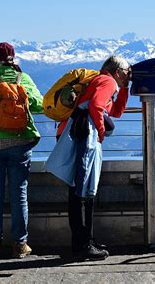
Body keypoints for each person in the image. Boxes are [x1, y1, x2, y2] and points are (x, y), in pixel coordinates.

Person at [55, 55, 131, 261]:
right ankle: (83, 246)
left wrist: (124, 88)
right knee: (83, 191)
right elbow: (97, 106)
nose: (128, 75)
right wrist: (100, 131)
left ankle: (84, 241)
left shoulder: (100, 81)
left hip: (74, 134)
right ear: (117, 72)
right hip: (83, 137)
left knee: (79, 190)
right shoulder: (107, 81)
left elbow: (115, 112)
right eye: (126, 73)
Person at [0, 42, 43, 258]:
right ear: (14, 60)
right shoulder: (25, 79)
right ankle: (20, 244)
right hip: (20, 142)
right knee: (19, 194)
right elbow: (39, 105)